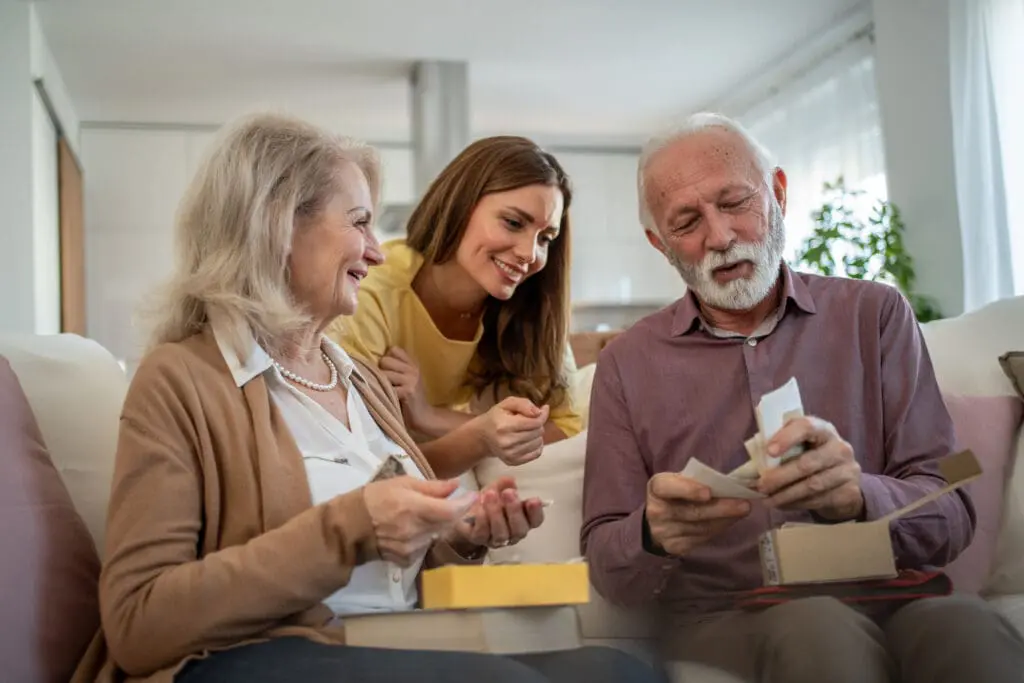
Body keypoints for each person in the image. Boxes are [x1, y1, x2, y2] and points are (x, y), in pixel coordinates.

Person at [71, 114, 664, 683]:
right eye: (359, 223)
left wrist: (462, 535)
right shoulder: (181, 379)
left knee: (624, 672)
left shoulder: (358, 379)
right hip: (256, 655)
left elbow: (399, 569)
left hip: (391, 642)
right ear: (277, 225)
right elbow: (136, 622)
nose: (379, 253)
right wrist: (349, 527)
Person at [580, 112, 1024, 683]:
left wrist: (860, 496)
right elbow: (607, 559)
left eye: (735, 202)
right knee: (816, 625)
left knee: (968, 626)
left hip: (901, 597)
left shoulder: (876, 315)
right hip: (732, 615)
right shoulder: (627, 363)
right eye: (687, 221)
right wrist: (651, 534)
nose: (719, 236)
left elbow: (952, 506)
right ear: (659, 243)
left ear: (779, 193)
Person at [327, 136, 582, 479]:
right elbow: (365, 465)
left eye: (545, 238)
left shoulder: (530, 310)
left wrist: (432, 417)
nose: (530, 253)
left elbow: (567, 426)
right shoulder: (370, 294)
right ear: (461, 206)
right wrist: (480, 434)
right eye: (513, 223)